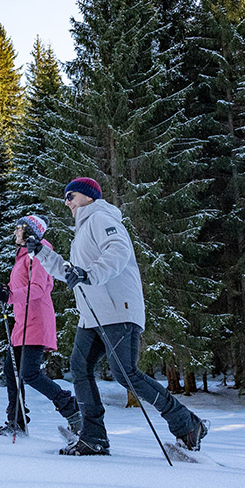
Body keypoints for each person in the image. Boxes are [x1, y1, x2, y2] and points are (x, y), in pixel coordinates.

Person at [34, 177, 209, 456]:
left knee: (125, 373)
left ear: (88, 196)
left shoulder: (101, 217)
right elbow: (70, 273)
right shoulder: (82, 229)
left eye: (71, 196)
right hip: (93, 316)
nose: (66, 202)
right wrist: (40, 251)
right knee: (80, 367)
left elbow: (118, 251)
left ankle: (187, 424)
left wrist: (89, 274)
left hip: (118, 310)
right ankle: (93, 436)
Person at [0, 215, 82, 438]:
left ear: (30, 232)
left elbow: (38, 288)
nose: (15, 232)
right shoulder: (22, 258)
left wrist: (8, 295)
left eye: (19, 228)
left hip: (37, 321)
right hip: (22, 324)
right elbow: (11, 292)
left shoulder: (39, 255)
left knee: (29, 373)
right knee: (12, 373)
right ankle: (17, 422)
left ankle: (71, 408)